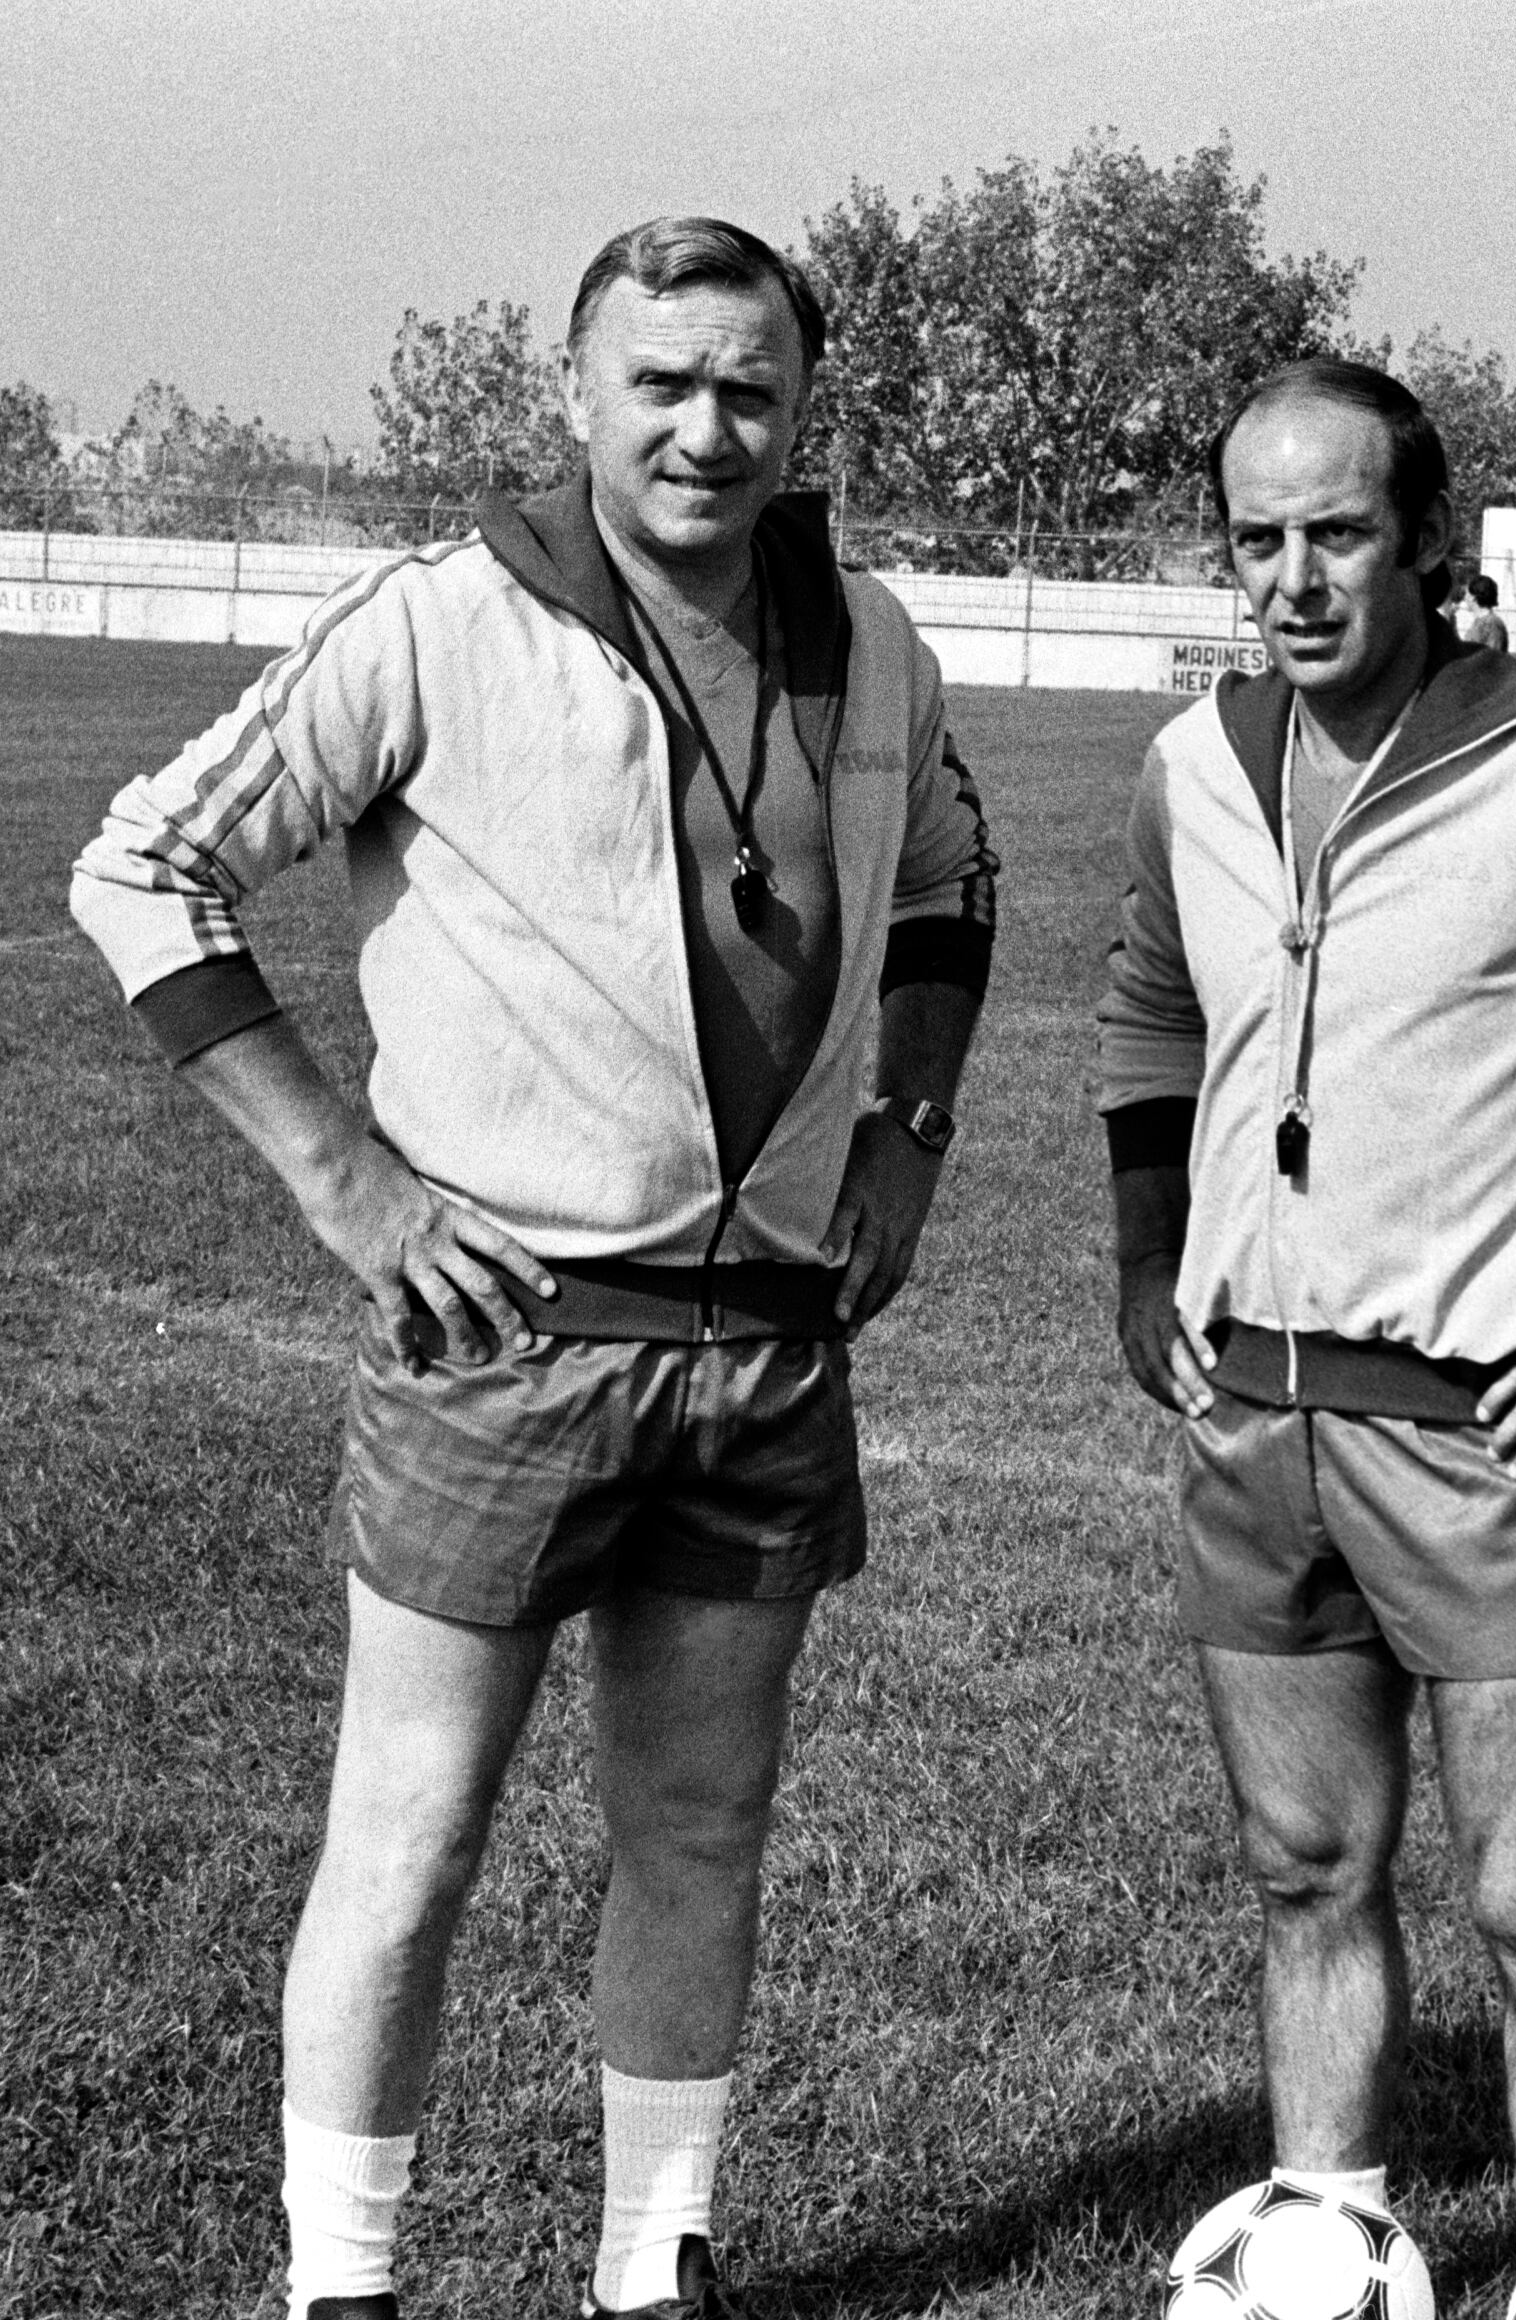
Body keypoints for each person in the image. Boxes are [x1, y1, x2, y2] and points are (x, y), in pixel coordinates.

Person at [68, 217, 997, 2320]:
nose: (704, 424)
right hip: (504, 1339)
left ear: (800, 407)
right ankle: (344, 2284)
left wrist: (908, 1138)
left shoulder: (875, 634)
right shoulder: (435, 621)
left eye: (748, 384)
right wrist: (353, 1185)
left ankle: (647, 2271)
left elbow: (952, 879)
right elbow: (143, 864)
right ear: (574, 396)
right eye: (658, 381)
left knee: (700, 1833)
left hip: (762, 1347)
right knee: (410, 1842)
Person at [1095, 355, 1516, 2320]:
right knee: (1307, 1870)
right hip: (1251, 1422)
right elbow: (1147, 1011)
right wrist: (1146, 1272)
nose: (1294, 576)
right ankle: (1323, 2247)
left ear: (1415, 537)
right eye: (1256, 538)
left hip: (1484, 1433)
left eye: (1334, 532)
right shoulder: (1189, 767)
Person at [1465, 570, 1512, 651]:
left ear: (1473, 597)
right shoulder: (1479, 622)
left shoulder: (1492, 623)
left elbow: (1493, 657)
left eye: (1466, 594)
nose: (1465, 598)